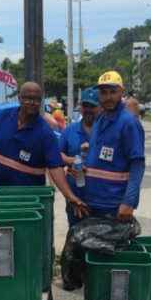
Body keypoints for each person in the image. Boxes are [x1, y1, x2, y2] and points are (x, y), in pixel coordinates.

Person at [0, 82, 88, 218]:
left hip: (28, 201)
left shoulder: (45, 132)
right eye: (27, 98)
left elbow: (55, 168)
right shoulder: (2, 118)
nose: (32, 102)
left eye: (37, 99)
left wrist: (70, 196)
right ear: (19, 98)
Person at [83, 71, 145, 221]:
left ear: (121, 92)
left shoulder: (128, 123)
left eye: (113, 92)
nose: (108, 97)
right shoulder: (101, 119)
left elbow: (137, 164)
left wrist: (129, 202)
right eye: (104, 92)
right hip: (94, 200)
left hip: (114, 204)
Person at [59, 87, 100, 227]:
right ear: (80, 107)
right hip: (75, 194)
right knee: (76, 232)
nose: (88, 109)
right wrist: (71, 160)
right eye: (85, 105)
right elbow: (57, 155)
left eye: (92, 106)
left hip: (101, 196)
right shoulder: (70, 130)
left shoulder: (106, 131)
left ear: (99, 107)